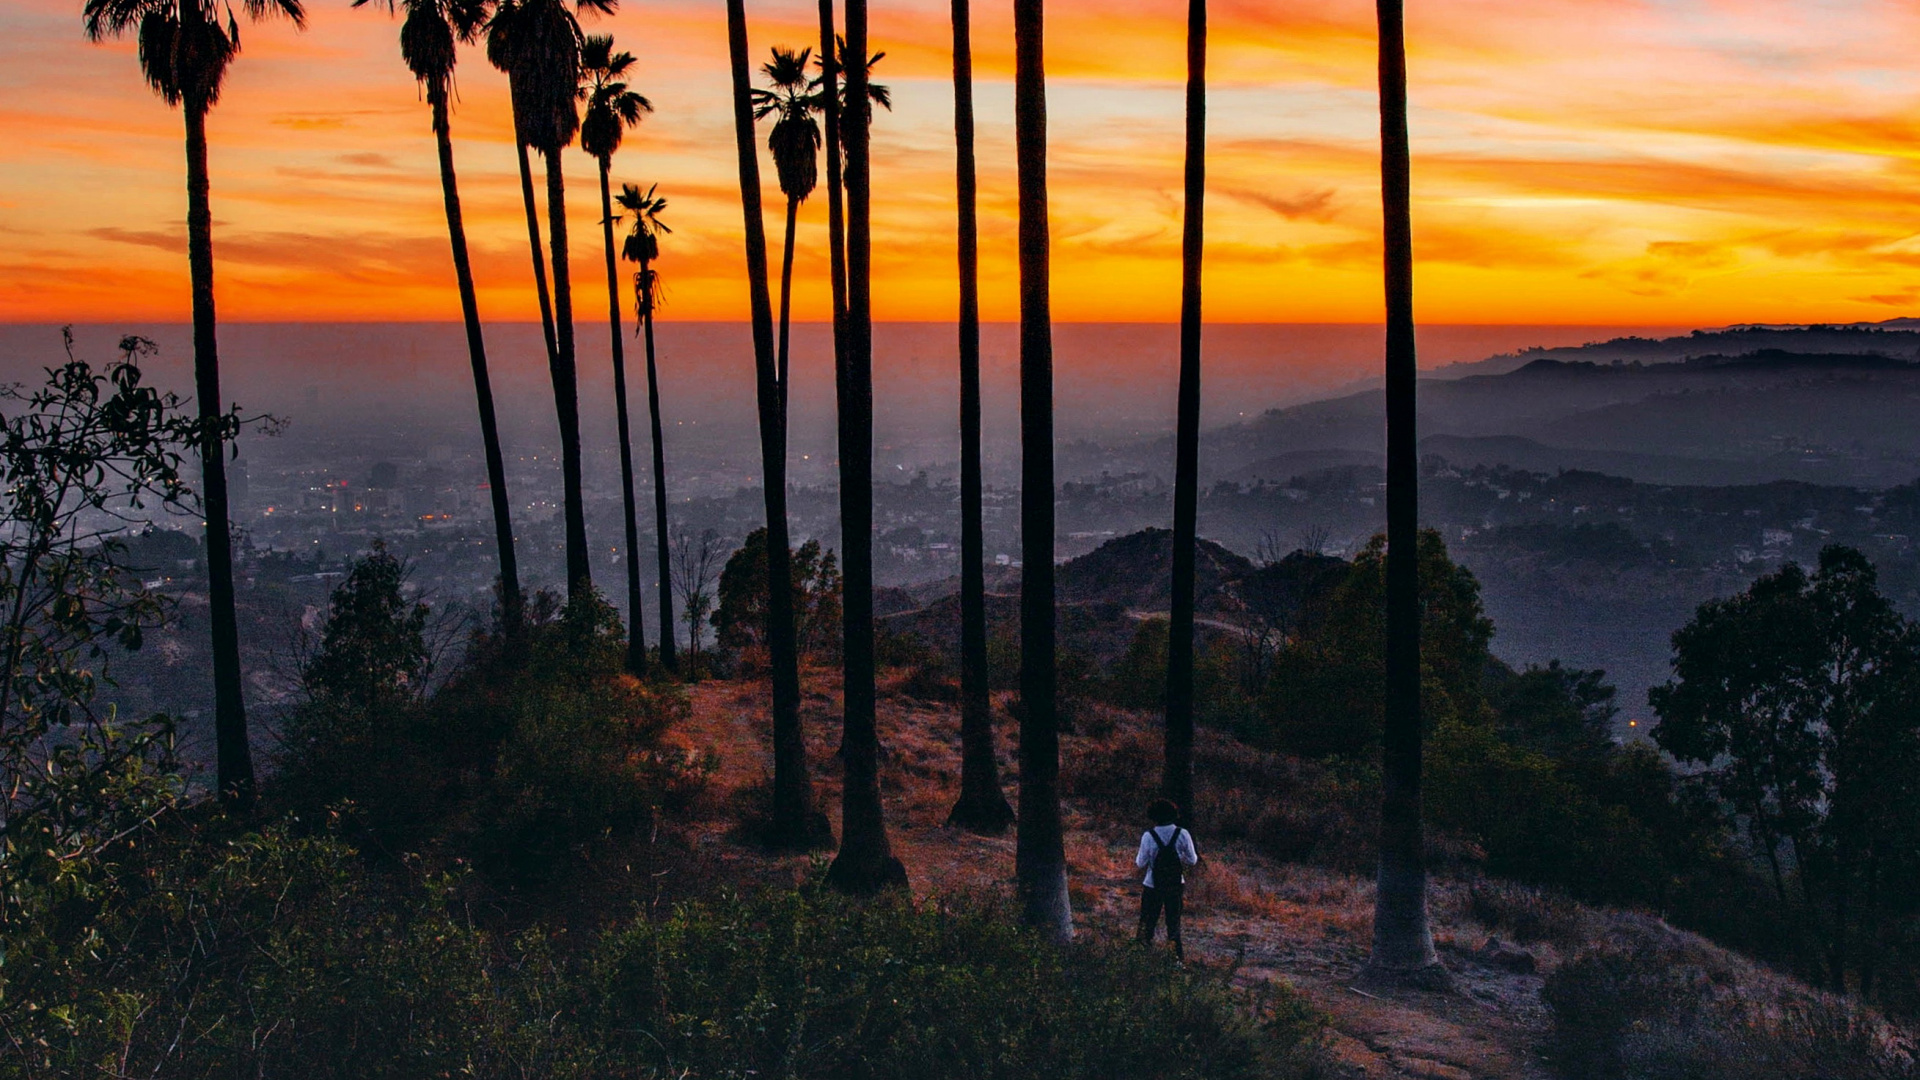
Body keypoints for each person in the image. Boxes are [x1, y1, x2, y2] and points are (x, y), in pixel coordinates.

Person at [1135, 797, 1198, 958]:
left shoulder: (1149, 836)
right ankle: (1176, 960)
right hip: (1175, 884)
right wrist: (1179, 857)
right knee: (1173, 925)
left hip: (1152, 884)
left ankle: (1140, 957)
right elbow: (1193, 860)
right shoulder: (1182, 833)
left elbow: (1140, 863)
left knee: (1147, 923)